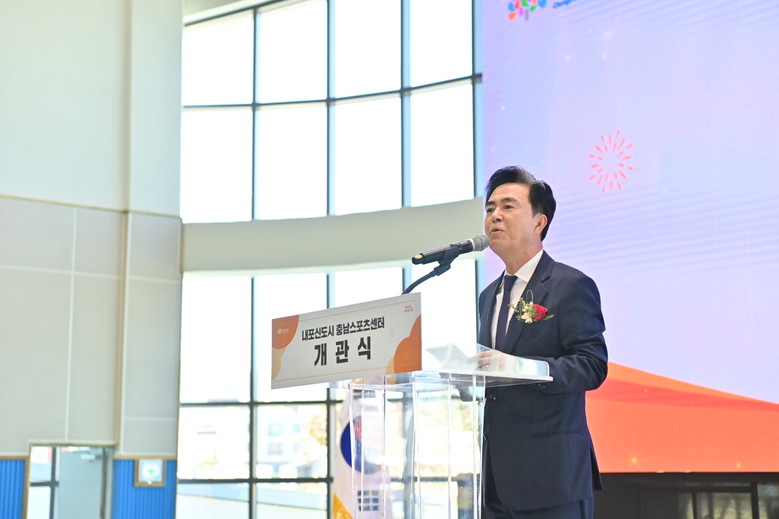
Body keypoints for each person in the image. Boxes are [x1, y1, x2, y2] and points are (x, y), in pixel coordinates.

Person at [476, 165, 608, 519]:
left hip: (553, 477)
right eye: (490, 208)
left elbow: (592, 366)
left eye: (508, 206)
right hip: (496, 480)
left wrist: (521, 367)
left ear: (539, 222)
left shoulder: (570, 285)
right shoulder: (487, 296)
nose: (495, 216)